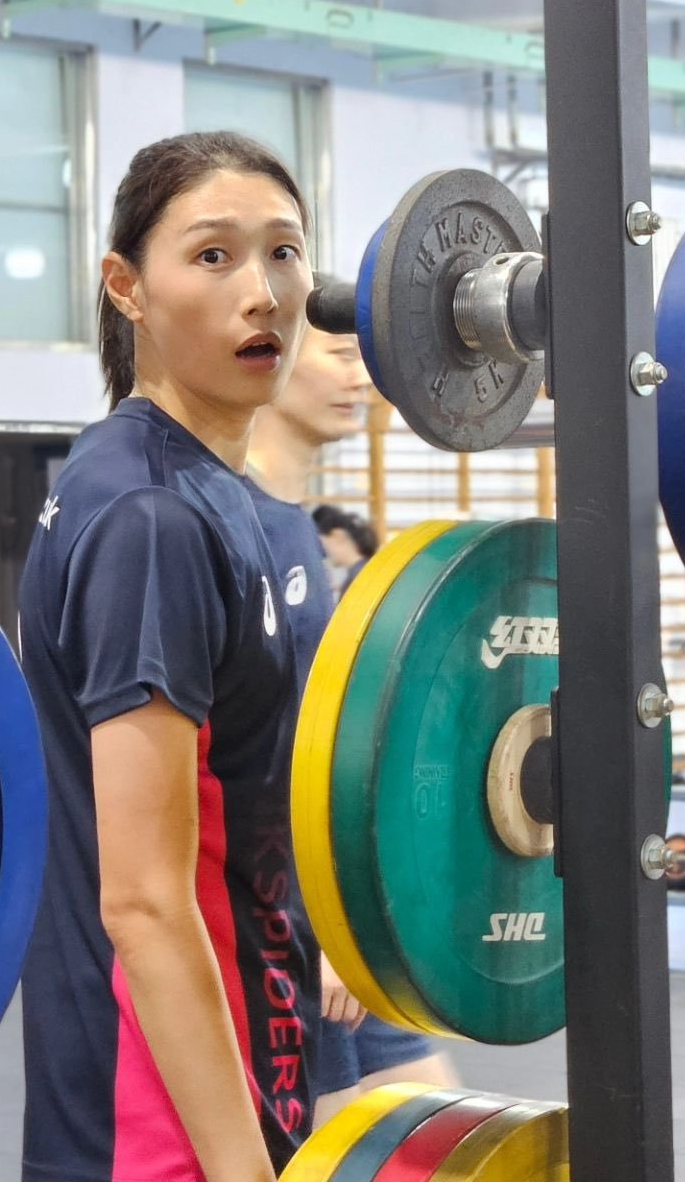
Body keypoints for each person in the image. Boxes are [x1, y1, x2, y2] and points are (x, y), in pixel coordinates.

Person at [17, 133, 320, 1182]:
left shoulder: (203, 495)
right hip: (161, 1131)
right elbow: (143, 902)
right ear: (126, 287)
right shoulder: (151, 516)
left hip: (239, 1072)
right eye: (213, 256)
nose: (263, 294)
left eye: (284, 253)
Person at [246, 302, 461, 1130]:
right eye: (337, 353)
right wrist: (319, 934)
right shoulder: (234, 526)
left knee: (443, 1135)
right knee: (332, 1153)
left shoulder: (295, 528)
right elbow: (263, 774)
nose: (359, 376)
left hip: (342, 925)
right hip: (295, 934)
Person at [309, 504, 378, 596]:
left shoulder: (359, 580)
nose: (322, 551)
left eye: (320, 543)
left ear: (338, 536)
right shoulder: (369, 571)